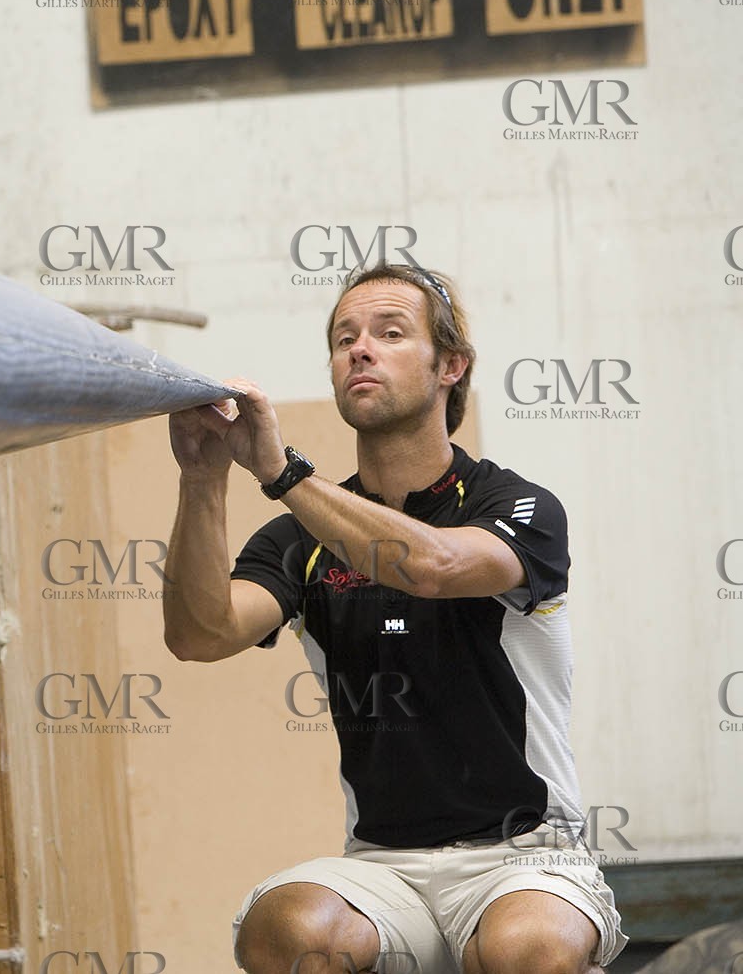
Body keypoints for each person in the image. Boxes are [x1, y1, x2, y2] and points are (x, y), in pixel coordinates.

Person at [163, 262, 626, 974]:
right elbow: (200, 633)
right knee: (286, 932)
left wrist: (283, 473)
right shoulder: (296, 539)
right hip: (384, 867)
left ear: (451, 365)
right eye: (344, 337)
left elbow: (435, 564)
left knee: (526, 950)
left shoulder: (517, 506)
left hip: (525, 857)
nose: (360, 348)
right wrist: (202, 478)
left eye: (389, 332)